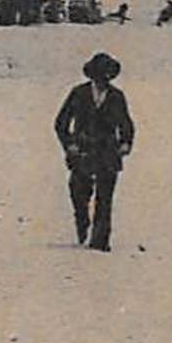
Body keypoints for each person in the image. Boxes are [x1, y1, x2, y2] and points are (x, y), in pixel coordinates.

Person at [54, 52, 136, 251]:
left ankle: (100, 241)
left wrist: (125, 143)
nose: (104, 81)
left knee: (105, 198)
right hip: (82, 151)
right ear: (92, 76)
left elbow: (127, 125)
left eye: (108, 76)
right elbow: (61, 123)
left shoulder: (117, 97)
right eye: (100, 76)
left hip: (108, 153)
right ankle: (82, 223)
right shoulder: (78, 93)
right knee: (79, 192)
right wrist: (69, 144)